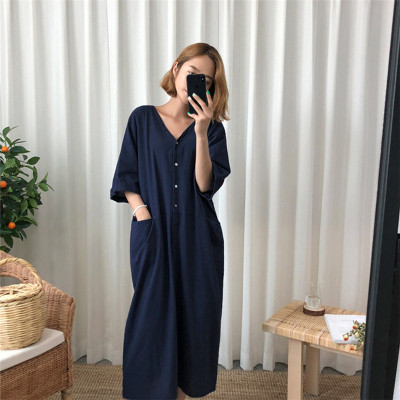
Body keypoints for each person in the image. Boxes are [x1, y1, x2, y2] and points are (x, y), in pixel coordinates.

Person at [110, 42, 231, 400]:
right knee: (151, 318)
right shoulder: (143, 119)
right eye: (192, 73)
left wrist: (200, 131)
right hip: (152, 233)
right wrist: (141, 211)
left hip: (199, 238)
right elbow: (127, 176)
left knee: (194, 319)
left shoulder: (212, 130)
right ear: (177, 68)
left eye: (205, 80)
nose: (196, 82)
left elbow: (205, 185)